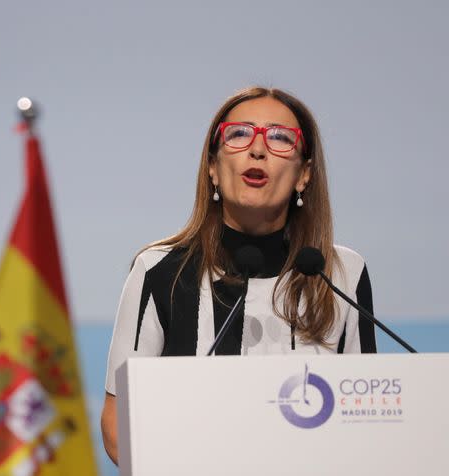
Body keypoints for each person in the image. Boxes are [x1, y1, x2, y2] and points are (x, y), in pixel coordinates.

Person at [100, 86, 377, 465]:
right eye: (239, 134)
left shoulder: (342, 275)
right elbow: (118, 427)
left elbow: (369, 424)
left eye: (280, 138)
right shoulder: (158, 271)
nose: (258, 149)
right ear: (212, 166)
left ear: (304, 175)